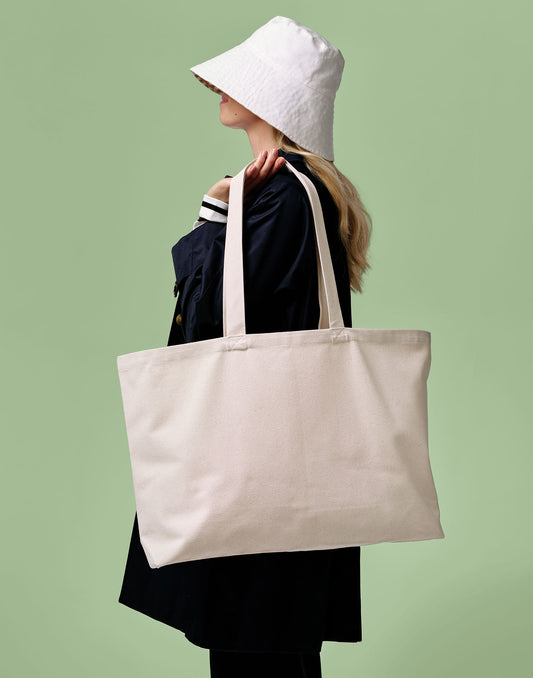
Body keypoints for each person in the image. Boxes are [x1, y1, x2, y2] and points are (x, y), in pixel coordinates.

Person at [118, 16, 372, 678]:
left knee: (254, 649)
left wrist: (214, 212)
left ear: (271, 99)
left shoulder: (282, 195)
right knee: (278, 647)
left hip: (255, 472)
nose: (219, 89)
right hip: (286, 464)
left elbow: (207, 319)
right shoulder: (302, 192)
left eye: (240, 80)